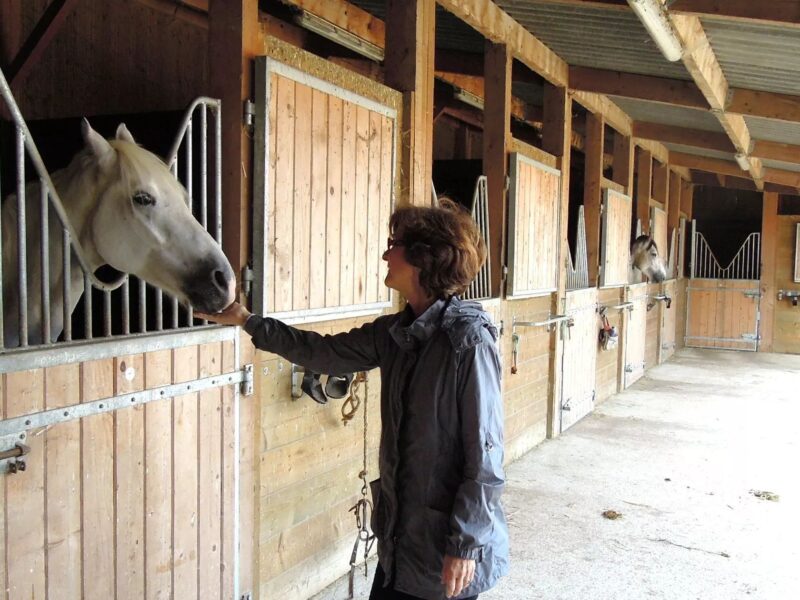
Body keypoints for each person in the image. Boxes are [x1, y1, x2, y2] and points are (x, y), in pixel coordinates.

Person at [196, 199, 508, 600]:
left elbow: (485, 454)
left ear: (421, 257)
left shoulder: (467, 342)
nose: (385, 253)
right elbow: (321, 352)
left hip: (445, 548)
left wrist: (465, 545)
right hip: (401, 541)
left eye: (393, 244)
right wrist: (247, 320)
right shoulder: (395, 333)